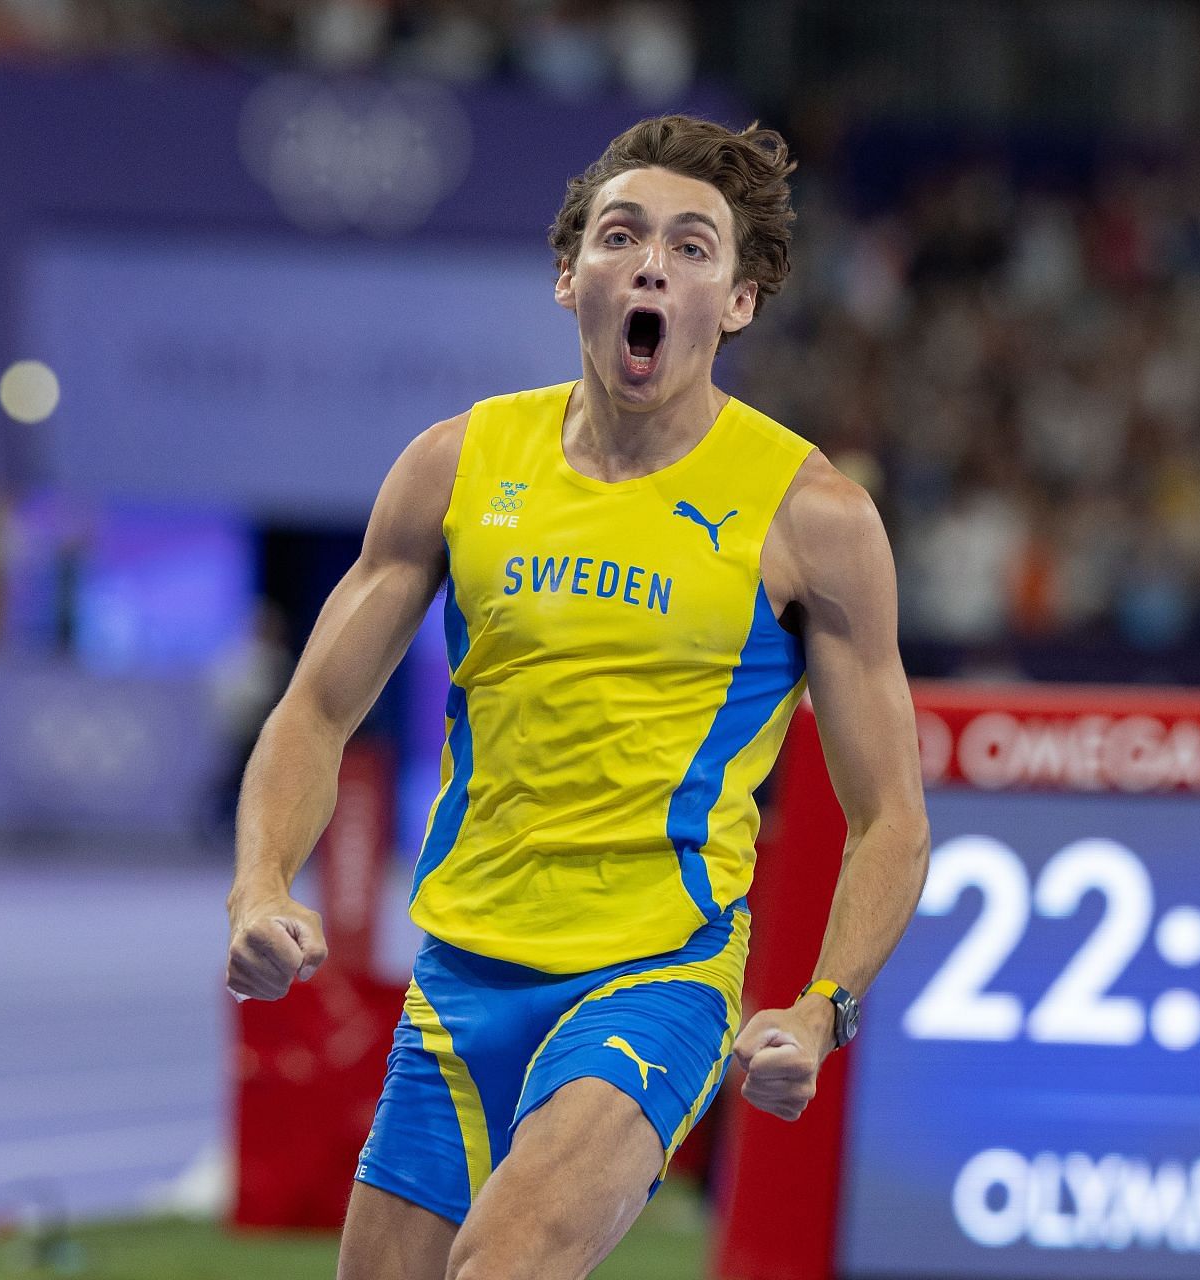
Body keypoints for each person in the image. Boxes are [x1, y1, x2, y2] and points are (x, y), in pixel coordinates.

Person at [223, 115, 930, 1280]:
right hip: (458, 979)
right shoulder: (457, 465)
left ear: (738, 302)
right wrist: (258, 883)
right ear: (570, 276)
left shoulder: (815, 517)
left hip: (657, 974)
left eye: (694, 246)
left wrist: (824, 1007)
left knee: (500, 1264)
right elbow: (312, 711)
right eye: (622, 234)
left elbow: (891, 813)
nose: (653, 261)